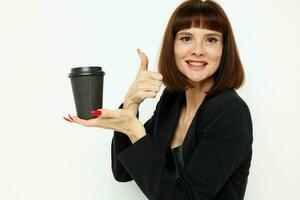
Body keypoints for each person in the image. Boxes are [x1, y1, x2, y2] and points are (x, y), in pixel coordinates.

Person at [64, 0, 253, 199]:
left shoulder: (230, 112)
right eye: (187, 38)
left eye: (211, 40)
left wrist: (134, 130)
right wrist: (130, 105)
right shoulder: (174, 99)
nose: (198, 50)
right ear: (172, 46)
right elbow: (123, 172)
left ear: (224, 50)